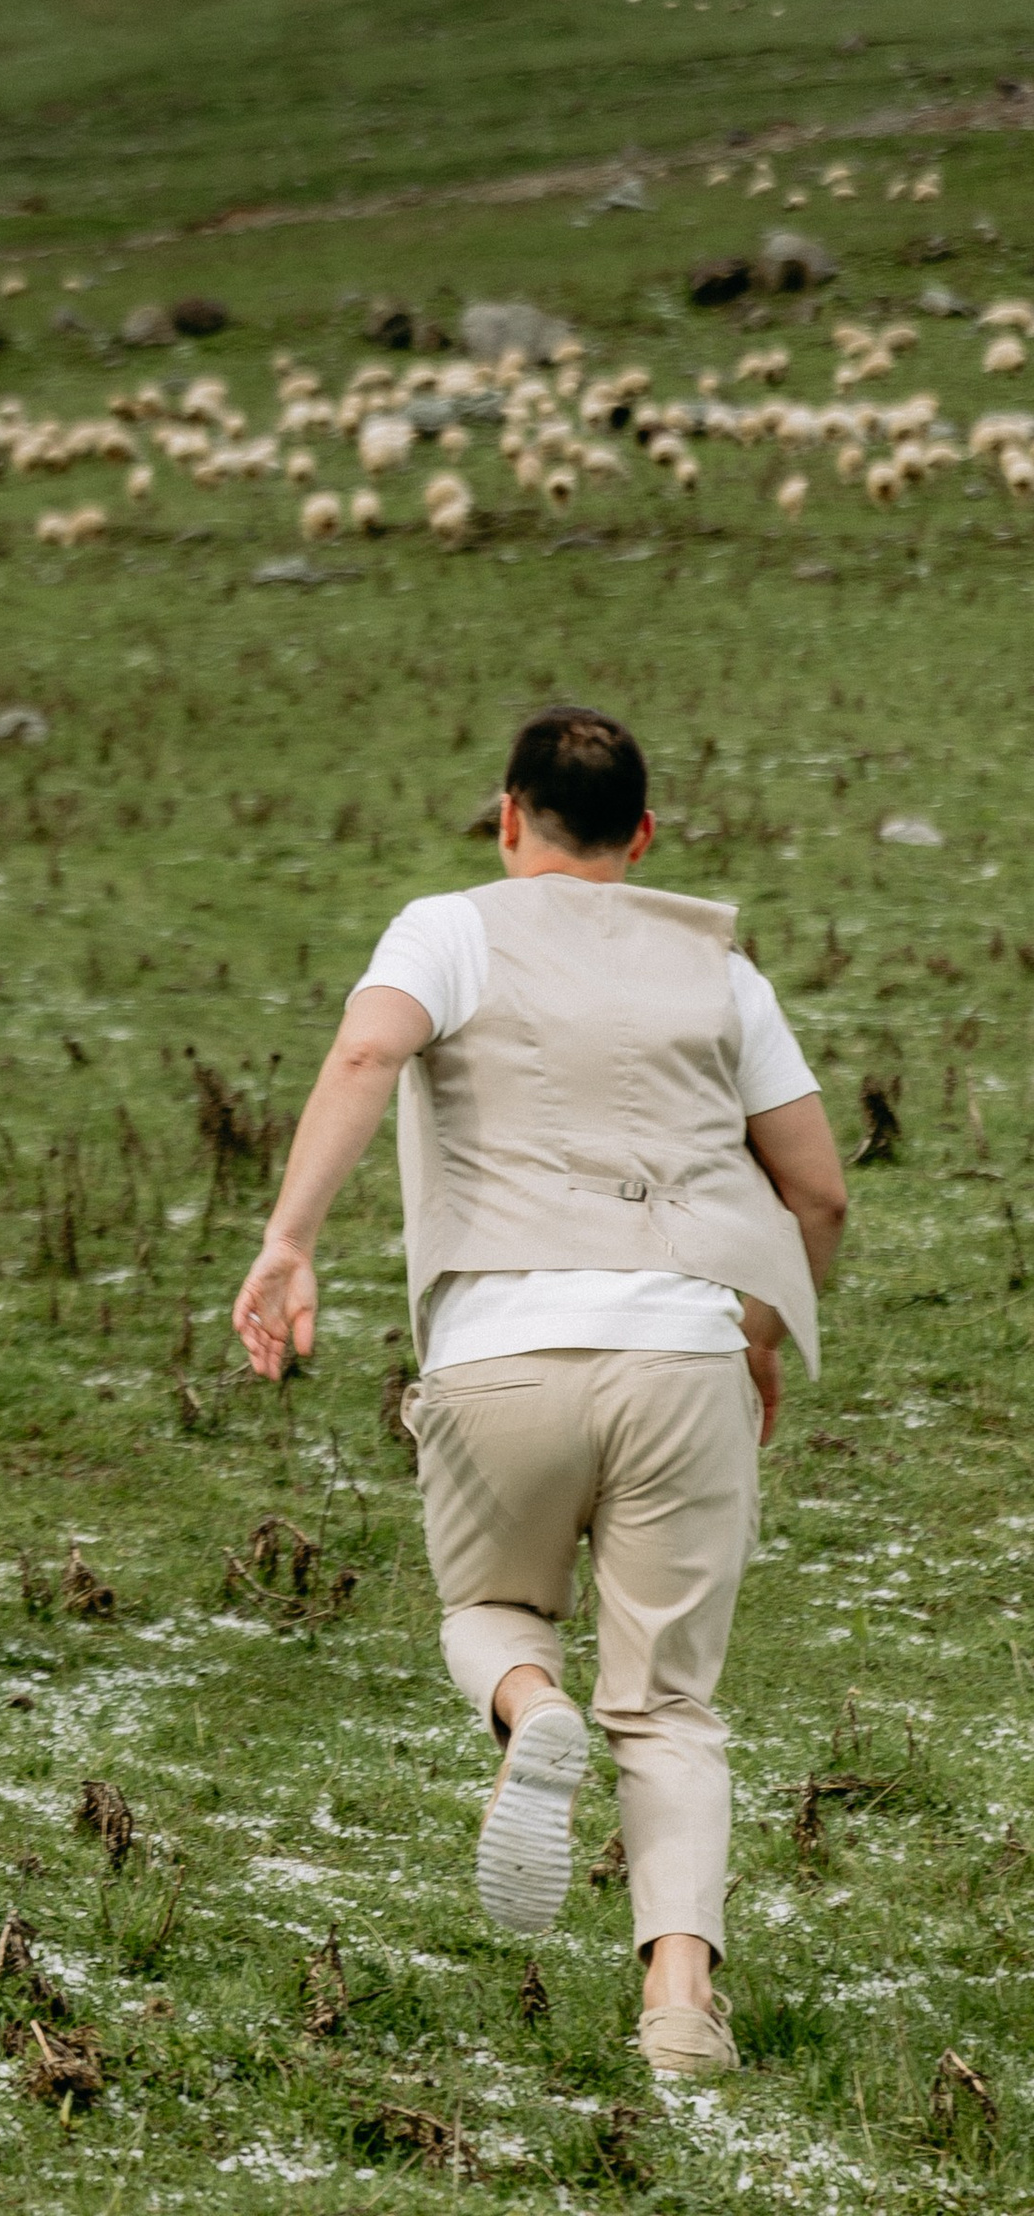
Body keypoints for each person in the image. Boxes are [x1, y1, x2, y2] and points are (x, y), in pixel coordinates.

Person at [231, 704, 847, 2080]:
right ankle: (678, 2008)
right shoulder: (723, 974)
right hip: (684, 1355)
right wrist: (758, 1333)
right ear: (644, 836)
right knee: (670, 1709)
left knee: (490, 1611)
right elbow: (818, 1192)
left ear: (507, 817)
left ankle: (531, 1708)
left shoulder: (446, 929)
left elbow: (366, 1053)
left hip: (497, 1349)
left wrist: (289, 1240)